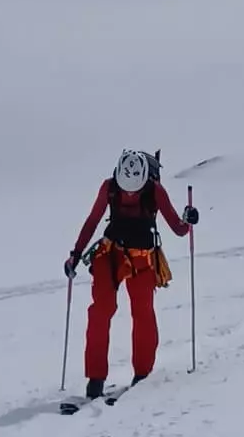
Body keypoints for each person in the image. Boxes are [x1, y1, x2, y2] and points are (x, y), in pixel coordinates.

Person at [65, 149, 198, 399]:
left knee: (143, 313)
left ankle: (142, 375)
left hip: (142, 258)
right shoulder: (109, 188)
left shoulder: (155, 191)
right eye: (126, 189)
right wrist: (76, 253)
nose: (129, 194)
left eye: (134, 191)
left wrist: (188, 220)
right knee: (100, 311)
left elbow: (179, 229)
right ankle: (95, 380)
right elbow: (93, 220)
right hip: (110, 253)